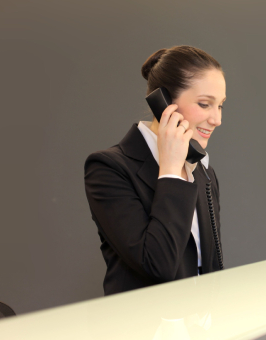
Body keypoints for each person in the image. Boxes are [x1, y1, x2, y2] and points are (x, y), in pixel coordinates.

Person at [84, 45, 226, 295]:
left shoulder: (201, 170)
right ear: (164, 103)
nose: (217, 119)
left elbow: (210, 266)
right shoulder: (108, 168)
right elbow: (157, 265)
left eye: (221, 105)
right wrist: (171, 170)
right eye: (205, 104)